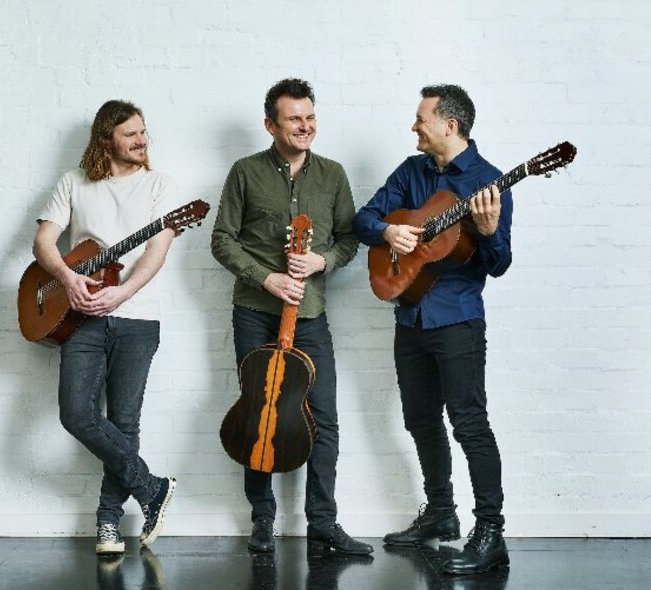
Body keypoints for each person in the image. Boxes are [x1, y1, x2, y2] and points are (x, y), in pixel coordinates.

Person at [352, 84, 512, 574]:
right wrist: (387, 231)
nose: (414, 126)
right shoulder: (412, 171)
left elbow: (499, 263)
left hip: (458, 320)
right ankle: (441, 515)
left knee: (469, 424)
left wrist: (486, 234)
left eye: (421, 118)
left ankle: (490, 533)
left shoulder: (488, 183)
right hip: (409, 315)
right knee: (420, 420)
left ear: (450, 124)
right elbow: (363, 219)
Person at [211, 78, 370, 556]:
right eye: (294, 119)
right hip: (256, 313)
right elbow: (222, 239)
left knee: (323, 418)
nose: (306, 126)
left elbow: (349, 238)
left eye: (310, 117)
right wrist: (267, 277)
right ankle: (263, 519)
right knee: (258, 412)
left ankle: (323, 521)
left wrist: (323, 261)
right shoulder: (244, 172)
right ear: (270, 125)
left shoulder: (334, 174)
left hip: (312, 315)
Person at [32, 100, 177, 556]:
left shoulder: (159, 186)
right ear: (106, 139)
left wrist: (125, 290)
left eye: (143, 131)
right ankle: (152, 488)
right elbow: (42, 242)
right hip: (81, 320)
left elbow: (158, 248)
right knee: (76, 414)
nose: (142, 140)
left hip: (138, 319)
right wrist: (68, 277)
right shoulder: (73, 183)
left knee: (124, 421)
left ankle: (109, 522)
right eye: (131, 133)